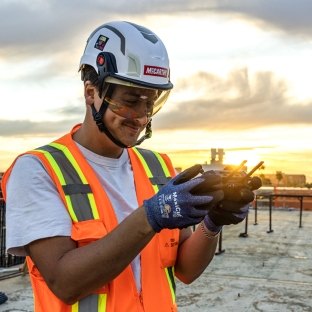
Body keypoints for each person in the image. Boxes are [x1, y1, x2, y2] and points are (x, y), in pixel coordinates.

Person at [1, 21, 256, 312]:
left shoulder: (158, 166)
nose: (140, 117)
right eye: (130, 101)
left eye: (150, 103)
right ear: (90, 92)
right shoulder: (38, 170)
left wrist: (213, 223)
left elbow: (185, 269)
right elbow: (64, 282)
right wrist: (151, 216)